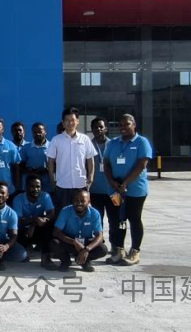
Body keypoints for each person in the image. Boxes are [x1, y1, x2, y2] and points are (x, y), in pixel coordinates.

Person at [103, 113, 153, 266]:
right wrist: (112, 182)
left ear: (134, 124)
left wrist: (125, 183)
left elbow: (141, 164)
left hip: (135, 191)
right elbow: (106, 163)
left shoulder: (141, 142)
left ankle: (135, 251)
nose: (123, 127)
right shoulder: (112, 143)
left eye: (127, 124)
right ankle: (119, 250)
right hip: (116, 191)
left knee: (134, 218)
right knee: (118, 219)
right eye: (120, 125)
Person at [47, 107, 97, 211]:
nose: (70, 123)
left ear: (77, 121)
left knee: (82, 213)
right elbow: (50, 161)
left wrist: (91, 177)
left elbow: (90, 160)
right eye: (67, 120)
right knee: (63, 213)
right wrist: (52, 180)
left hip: (81, 184)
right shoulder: (56, 140)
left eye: (73, 120)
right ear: (63, 122)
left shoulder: (85, 139)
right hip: (62, 185)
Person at [50, 189, 107, 272]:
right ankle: (65, 261)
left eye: (83, 201)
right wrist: (74, 242)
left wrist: (87, 249)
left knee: (103, 249)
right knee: (54, 243)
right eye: (76, 200)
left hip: (86, 243)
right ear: (72, 201)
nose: (79, 203)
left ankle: (83, 261)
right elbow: (56, 232)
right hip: (69, 241)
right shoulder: (65, 211)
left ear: (88, 201)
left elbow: (99, 236)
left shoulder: (95, 213)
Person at [13, 175, 57, 269]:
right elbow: (18, 220)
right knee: (22, 255)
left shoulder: (45, 196)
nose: (35, 189)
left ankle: (46, 258)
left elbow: (51, 214)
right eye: (32, 186)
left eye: (38, 186)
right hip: (22, 231)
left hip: (35, 228)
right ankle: (26, 245)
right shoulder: (18, 199)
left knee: (49, 224)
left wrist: (35, 223)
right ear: (26, 187)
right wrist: (35, 220)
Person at [88, 118, 112, 222]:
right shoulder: (87, 145)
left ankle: (116, 235)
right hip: (95, 192)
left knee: (116, 219)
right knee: (97, 220)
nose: (98, 129)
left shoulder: (113, 144)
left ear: (106, 128)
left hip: (114, 191)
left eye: (101, 127)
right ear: (91, 129)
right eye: (95, 127)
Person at [20, 122, 52, 197]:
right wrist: (28, 170)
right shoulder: (26, 147)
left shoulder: (52, 146)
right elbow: (21, 164)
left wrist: (47, 170)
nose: (37, 134)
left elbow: (57, 164)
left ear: (45, 132)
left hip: (48, 185)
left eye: (40, 132)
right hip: (31, 186)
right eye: (35, 132)